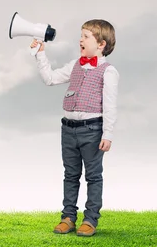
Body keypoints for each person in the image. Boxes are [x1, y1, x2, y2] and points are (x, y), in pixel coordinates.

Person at [30, 19, 119, 237]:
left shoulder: (108, 72)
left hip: (92, 129)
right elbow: (50, 79)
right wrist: (40, 54)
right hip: (68, 129)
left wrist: (107, 134)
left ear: (101, 44)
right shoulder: (75, 65)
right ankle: (68, 217)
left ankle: (90, 219)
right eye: (81, 35)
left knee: (93, 176)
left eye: (86, 36)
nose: (80, 39)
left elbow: (109, 105)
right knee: (70, 174)